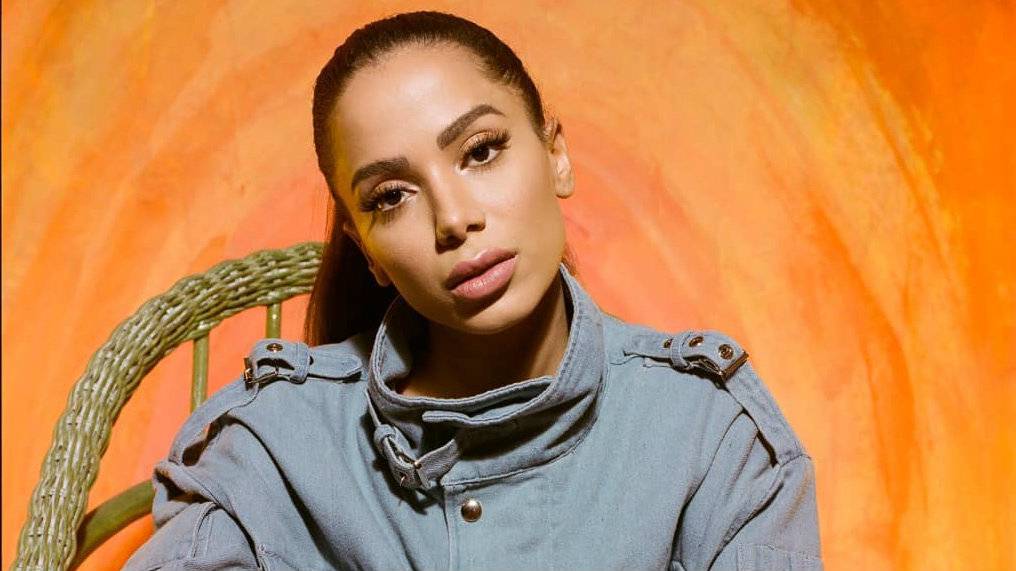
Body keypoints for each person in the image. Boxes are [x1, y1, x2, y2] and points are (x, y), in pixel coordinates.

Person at [124, 10, 823, 571]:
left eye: (481, 151)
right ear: (367, 253)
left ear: (556, 153)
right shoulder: (269, 449)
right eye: (392, 196)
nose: (454, 219)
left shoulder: (710, 434)